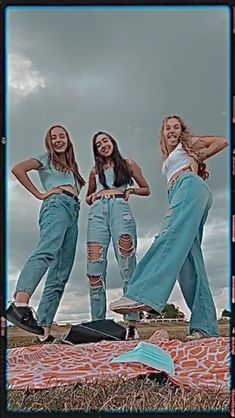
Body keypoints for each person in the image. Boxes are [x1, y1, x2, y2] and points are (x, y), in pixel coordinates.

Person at [110, 115, 228, 340]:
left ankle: (141, 293)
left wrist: (197, 155)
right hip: (183, 191)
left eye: (176, 127)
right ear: (162, 133)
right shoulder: (170, 156)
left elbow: (222, 141)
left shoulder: (187, 145)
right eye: (168, 128)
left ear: (182, 131)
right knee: (189, 261)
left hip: (188, 185)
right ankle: (205, 328)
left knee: (169, 235)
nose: (172, 130)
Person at [6, 125, 85, 343]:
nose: (58, 140)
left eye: (62, 136)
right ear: (49, 142)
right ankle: (20, 304)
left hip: (73, 213)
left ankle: (44, 330)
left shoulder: (72, 166)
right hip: (56, 206)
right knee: (47, 250)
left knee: (61, 273)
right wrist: (40, 194)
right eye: (54, 137)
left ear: (68, 139)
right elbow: (18, 169)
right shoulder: (46, 158)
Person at [86, 131, 150, 339]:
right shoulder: (94, 171)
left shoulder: (128, 164)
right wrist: (92, 196)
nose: (103, 145)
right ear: (96, 150)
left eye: (105, 140)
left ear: (112, 142)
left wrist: (132, 191)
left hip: (120, 210)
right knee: (94, 267)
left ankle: (131, 324)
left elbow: (146, 188)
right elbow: (88, 196)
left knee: (126, 262)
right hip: (97, 214)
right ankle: (98, 324)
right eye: (98, 144)